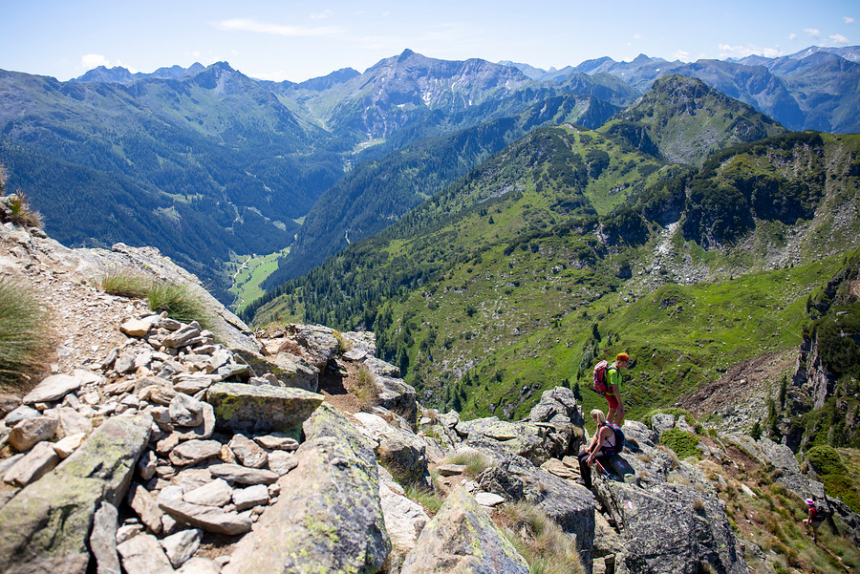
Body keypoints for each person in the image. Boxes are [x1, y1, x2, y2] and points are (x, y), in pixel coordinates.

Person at [577, 409, 620, 488]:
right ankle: (582, 477)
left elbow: (599, 444)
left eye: (593, 418)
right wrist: (590, 447)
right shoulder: (600, 425)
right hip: (602, 447)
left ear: (596, 418)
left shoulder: (604, 429)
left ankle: (587, 482)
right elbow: (595, 437)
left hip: (607, 451)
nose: (593, 419)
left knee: (584, 460)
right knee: (580, 456)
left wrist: (591, 456)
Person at [605, 353, 630, 426]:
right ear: (621, 361)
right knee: (621, 412)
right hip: (612, 394)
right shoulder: (613, 371)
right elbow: (615, 389)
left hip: (611, 394)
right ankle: (615, 432)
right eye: (627, 362)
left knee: (612, 410)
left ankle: (607, 428)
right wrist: (620, 403)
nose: (627, 364)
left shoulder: (615, 367)